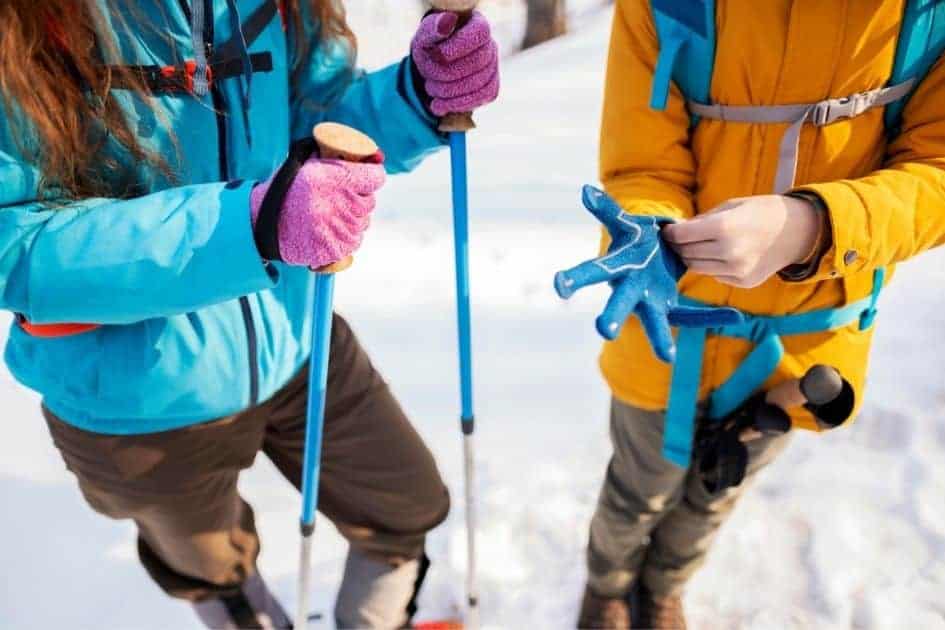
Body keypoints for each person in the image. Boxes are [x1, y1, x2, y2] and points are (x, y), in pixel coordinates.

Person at [0, 2, 498, 628]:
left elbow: (318, 115)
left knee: (406, 507)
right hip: (135, 398)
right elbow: (16, 245)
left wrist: (414, 97)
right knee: (213, 569)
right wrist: (250, 225)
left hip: (296, 335)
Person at [569, 1, 945, 628]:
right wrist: (650, 229)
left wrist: (816, 226)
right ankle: (607, 587)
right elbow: (643, 164)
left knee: (718, 490)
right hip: (666, 322)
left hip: (802, 344)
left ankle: (664, 588)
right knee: (638, 487)